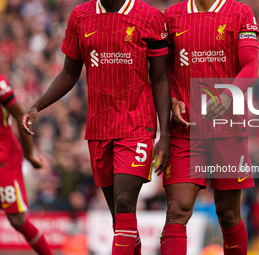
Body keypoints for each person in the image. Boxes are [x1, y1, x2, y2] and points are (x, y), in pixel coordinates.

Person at [22, 0, 171, 254]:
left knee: (125, 203)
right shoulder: (80, 16)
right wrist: (38, 105)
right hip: (99, 128)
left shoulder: (150, 17)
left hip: (137, 124)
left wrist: (164, 134)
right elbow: (69, 73)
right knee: (120, 220)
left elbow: (159, 78)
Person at [161, 0, 259, 254]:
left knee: (227, 213)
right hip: (186, 129)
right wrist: (173, 98)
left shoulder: (240, 12)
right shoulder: (171, 16)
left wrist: (228, 95)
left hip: (228, 128)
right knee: (177, 210)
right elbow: (163, 70)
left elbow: (251, 65)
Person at [0, 74, 53, 255]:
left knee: (17, 220)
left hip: (4, 158)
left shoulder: (0, 85)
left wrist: (30, 154)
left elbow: (21, 115)